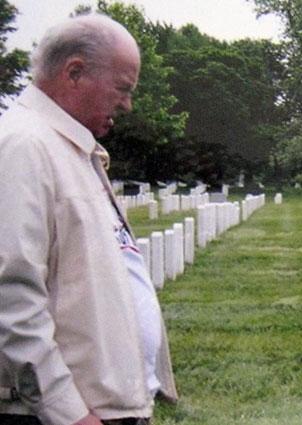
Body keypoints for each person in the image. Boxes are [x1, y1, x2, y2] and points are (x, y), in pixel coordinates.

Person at [0, 14, 177, 425]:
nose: (128, 104)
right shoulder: (24, 145)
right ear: (74, 72)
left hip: (99, 408)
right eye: (122, 89)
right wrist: (68, 413)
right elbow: (11, 295)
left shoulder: (69, 148)